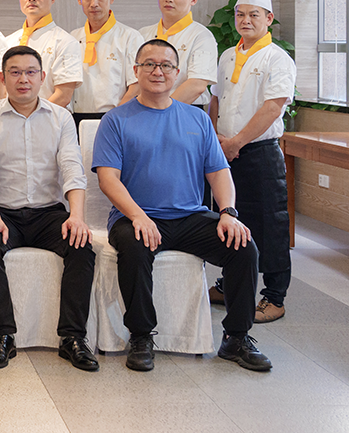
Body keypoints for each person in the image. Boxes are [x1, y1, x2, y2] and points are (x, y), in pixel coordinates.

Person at [93, 39, 272, 372]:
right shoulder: (116, 120)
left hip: (190, 216)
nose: (157, 71)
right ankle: (141, 336)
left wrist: (228, 213)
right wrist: (138, 216)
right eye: (149, 64)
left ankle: (236, 337)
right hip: (136, 216)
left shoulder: (197, 119)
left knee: (243, 247)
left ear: (176, 73)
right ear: (136, 71)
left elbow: (218, 172)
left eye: (165, 65)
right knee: (133, 248)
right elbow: (108, 179)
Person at [0, 45, 97, 371]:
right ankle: (2, 336)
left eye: (30, 72)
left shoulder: (61, 118)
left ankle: (72, 337)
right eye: (15, 72)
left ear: (42, 77)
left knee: (82, 246)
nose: (23, 79)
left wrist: (77, 217)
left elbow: (72, 168)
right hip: (3, 212)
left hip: (48, 213)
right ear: (2, 78)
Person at [209, 0, 295, 323]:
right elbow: (215, 100)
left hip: (259, 153)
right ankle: (228, 283)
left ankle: (274, 296)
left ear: (268, 18)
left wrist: (236, 142)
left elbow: (272, 108)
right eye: (240, 14)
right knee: (230, 217)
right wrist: (216, 137)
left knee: (269, 224)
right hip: (225, 151)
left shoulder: (278, 59)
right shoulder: (228, 55)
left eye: (253, 15)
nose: (245, 20)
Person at [132, 0, 217, 107]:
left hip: (185, 110)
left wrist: (163, 111)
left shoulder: (202, 36)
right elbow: (135, 80)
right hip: (146, 111)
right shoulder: (143, 34)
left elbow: (197, 85)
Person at [70, 0, 144, 127]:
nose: (94, 3)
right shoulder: (72, 38)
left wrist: (113, 118)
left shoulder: (130, 37)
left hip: (118, 119)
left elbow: (136, 86)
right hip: (76, 119)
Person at [7, 0, 82, 109]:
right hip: (11, 120)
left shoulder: (66, 42)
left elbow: (63, 95)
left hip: (51, 121)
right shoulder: (7, 42)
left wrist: (31, 117)